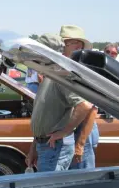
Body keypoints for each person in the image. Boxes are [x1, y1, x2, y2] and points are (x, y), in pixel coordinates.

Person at [25, 33, 93, 172]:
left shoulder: (62, 76)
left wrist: (64, 132)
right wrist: (34, 148)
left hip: (55, 147)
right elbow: (44, 118)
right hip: (46, 145)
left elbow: (84, 106)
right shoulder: (50, 76)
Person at [59, 25, 99, 170]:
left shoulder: (82, 71)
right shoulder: (68, 67)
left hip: (82, 133)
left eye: (65, 43)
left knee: (84, 181)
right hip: (75, 131)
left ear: (78, 45)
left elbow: (91, 109)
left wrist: (80, 145)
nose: (61, 47)